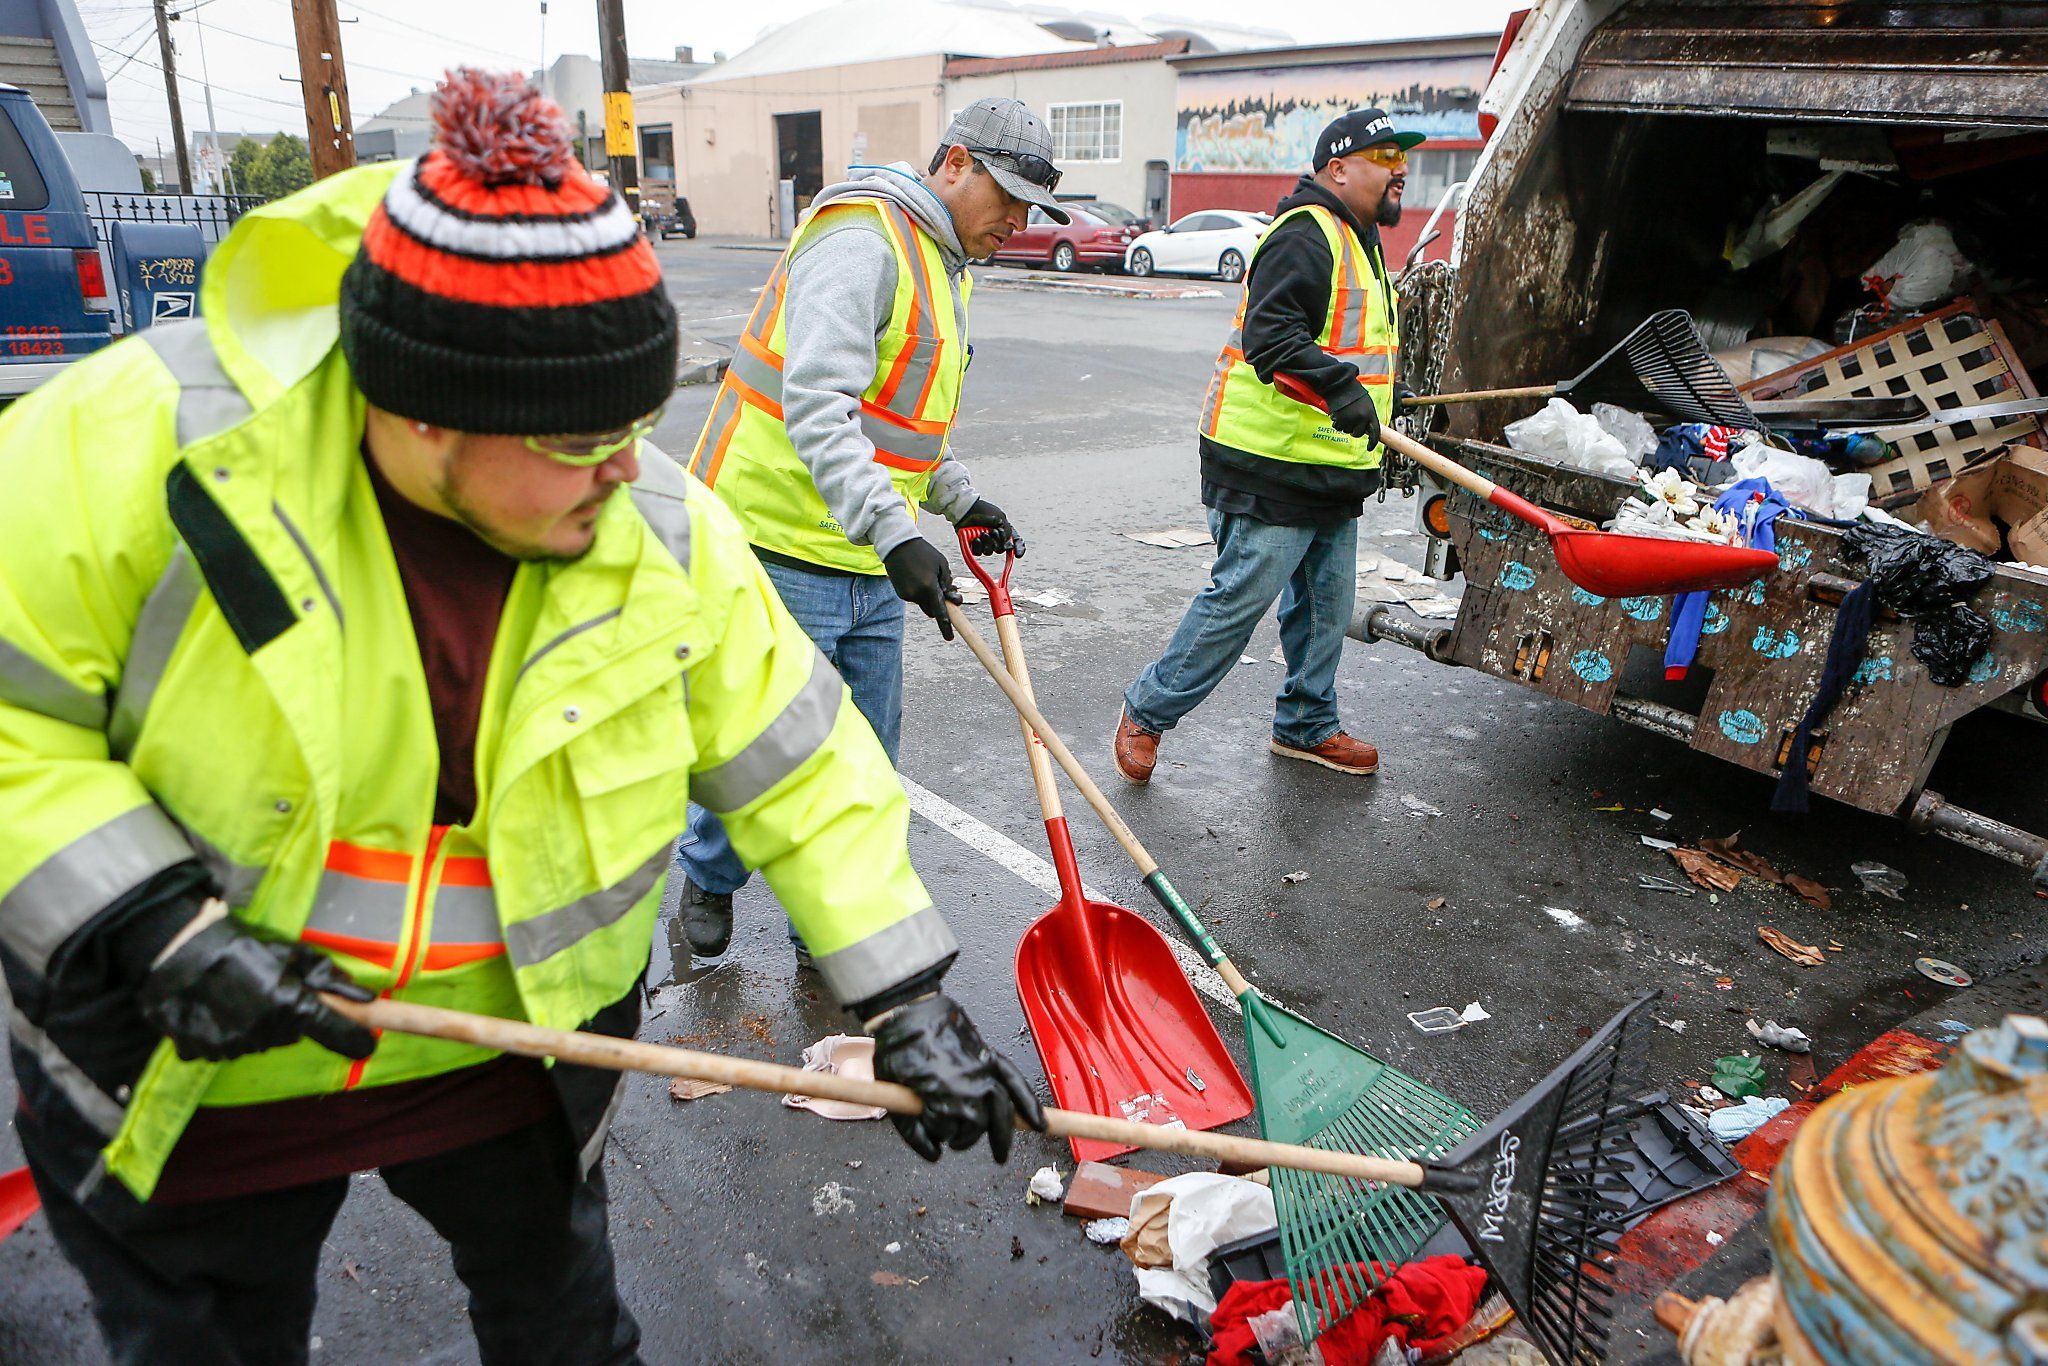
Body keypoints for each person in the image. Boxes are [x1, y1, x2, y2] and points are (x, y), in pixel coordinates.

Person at [0, 70, 1040, 1366]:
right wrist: (141, 918)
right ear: (424, 402)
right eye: (584, 433)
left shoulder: (654, 524)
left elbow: (802, 759)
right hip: (202, 1065)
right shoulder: (128, 454)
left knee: (566, 1334)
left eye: (638, 422)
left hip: (514, 1064)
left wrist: (907, 992)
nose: (627, 467)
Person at [677, 97, 1061, 961]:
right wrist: (898, 534)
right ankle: (708, 871)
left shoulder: (944, 260)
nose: (1018, 221)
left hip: (863, 550)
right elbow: (818, 408)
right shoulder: (863, 240)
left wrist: (960, 500)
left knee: (865, 760)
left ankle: (832, 915)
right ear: (954, 162)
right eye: (1006, 195)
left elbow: (902, 416)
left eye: (1030, 207)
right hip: (779, 541)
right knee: (765, 748)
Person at [1113, 108, 1423, 785]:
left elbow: (1355, 349)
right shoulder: (1305, 234)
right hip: (1268, 461)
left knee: (1326, 607)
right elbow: (1273, 339)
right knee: (1237, 604)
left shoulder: (1359, 238)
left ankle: (1306, 724)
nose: (1401, 167)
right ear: (1338, 168)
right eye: (1385, 156)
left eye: (1404, 156)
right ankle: (1148, 710)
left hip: (1331, 465)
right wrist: (1344, 394)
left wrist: (1380, 403)